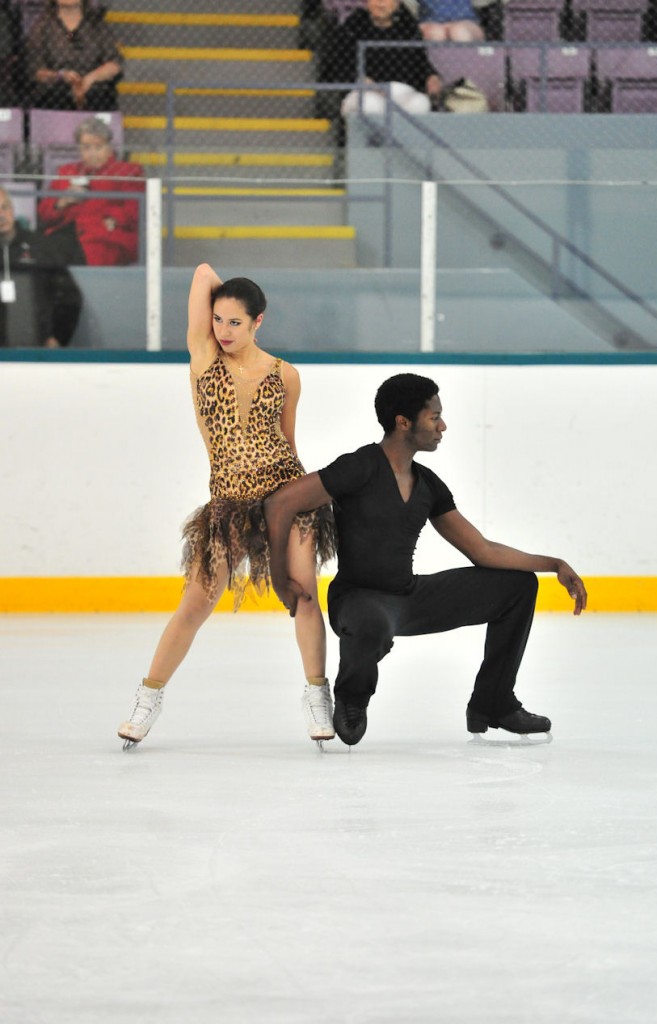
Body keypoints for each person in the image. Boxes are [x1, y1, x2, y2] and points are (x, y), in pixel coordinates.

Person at [264, 373, 587, 746]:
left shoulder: (428, 484)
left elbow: (481, 550)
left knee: (517, 586)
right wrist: (279, 580)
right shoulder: (359, 466)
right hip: (357, 600)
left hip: (409, 598)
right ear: (404, 422)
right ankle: (353, 697)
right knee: (371, 621)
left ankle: (493, 701)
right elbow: (280, 504)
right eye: (434, 417)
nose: (442, 425)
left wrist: (553, 564)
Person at [117, 265, 337, 748]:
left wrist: (303, 503)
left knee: (301, 594)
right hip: (228, 502)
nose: (223, 330)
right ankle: (148, 696)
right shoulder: (203, 359)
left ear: (260, 321)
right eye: (218, 319)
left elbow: (289, 442)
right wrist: (222, 298)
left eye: (236, 322)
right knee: (195, 603)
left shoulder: (286, 375)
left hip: (285, 497)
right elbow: (201, 274)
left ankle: (318, 693)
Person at [37, 116, 145, 267]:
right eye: (86, 147)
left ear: (109, 148)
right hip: (65, 234)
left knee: (92, 252)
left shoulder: (128, 171)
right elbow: (44, 213)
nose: (92, 153)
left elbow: (136, 208)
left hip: (105, 236)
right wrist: (62, 201)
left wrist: (114, 219)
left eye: (98, 147)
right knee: (42, 251)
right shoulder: (67, 171)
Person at [0, 186, 82, 348]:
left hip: (36, 349)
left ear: (13, 208)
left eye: (5, 207)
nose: (2, 215)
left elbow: (69, 298)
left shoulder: (41, 247)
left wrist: (58, 337)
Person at [336, 0, 443, 117]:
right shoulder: (352, 27)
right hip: (364, 92)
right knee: (370, 105)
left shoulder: (408, 27)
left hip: (400, 91)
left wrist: (431, 76)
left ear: (397, 4)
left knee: (420, 104)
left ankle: (402, 135)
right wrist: (359, 77)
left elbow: (420, 61)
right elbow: (339, 64)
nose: (381, 3)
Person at [26, 0, 123, 111]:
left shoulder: (97, 25)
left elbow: (114, 64)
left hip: (96, 98)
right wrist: (60, 76)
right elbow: (36, 71)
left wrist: (90, 79)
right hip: (54, 99)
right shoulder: (42, 27)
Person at [418, 0, 484, 42]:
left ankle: (465, 61)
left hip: (465, 21)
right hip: (431, 22)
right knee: (436, 33)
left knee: (459, 32)